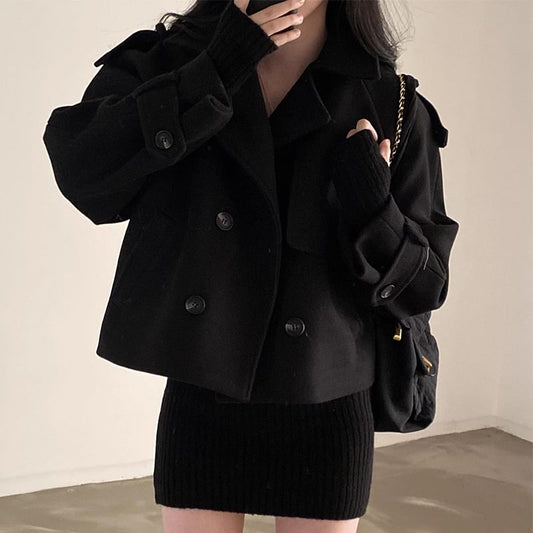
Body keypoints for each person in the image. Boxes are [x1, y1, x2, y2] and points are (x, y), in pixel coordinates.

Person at [43, 0, 459, 531]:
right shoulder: (173, 63)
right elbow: (83, 171)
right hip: (204, 391)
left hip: (327, 404)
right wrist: (215, 68)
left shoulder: (391, 101)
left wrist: (373, 211)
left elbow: (425, 287)